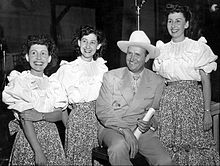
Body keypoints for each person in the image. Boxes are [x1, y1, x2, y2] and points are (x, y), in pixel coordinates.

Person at [153, 3, 220, 165]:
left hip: (192, 103)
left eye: (178, 21)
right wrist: (155, 110)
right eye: (170, 21)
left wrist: (206, 112)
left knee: (195, 147)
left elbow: (206, 81)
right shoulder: (162, 50)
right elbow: (160, 82)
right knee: (168, 149)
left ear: (186, 24)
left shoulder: (198, 48)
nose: (173, 26)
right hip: (168, 105)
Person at [96, 30, 175, 166]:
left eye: (137, 55)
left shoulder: (157, 81)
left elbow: (157, 112)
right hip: (112, 128)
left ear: (146, 58)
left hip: (141, 131)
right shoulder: (111, 76)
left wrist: (150, 123)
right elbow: (103, 110)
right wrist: (124, 130)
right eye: (129, 53)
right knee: (118, 147)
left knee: (165, 161)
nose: (132, 58)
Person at [2, 34, 68, 165]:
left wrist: (40, 115)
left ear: (49, 58)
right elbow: (26, 119)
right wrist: (38, 152)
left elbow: (59, 115)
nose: (39, 58)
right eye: (34, 53)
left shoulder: (54, 84)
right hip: (30, 141)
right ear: (27, 57)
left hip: (52, 139)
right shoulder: (20, 82)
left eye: (43, 53)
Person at [52, 25, 108, 165]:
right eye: (84, 41)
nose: (87, 46)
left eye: (92, 42)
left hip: (99, 122)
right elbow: (60, 103)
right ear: (78, 42)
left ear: (98, 46)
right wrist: (69, 125)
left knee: (98, 159)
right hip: (77, 122)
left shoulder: (102, 68)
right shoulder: (68, 69)